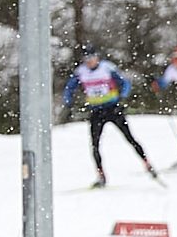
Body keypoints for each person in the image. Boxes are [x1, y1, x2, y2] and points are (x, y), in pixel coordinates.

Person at [62, 46, 155, 186]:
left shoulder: (107, 67)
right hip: (96, 111)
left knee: (129, 138)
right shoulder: (80, 71)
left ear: (97, 57)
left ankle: (148, 165)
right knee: (95, 144)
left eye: (91, 58)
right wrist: (68, 103)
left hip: (112, 108)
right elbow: (69, 88)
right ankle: (101, 176)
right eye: (86, 59)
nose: (89, 61)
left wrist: (123, 97)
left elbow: (124, 82)